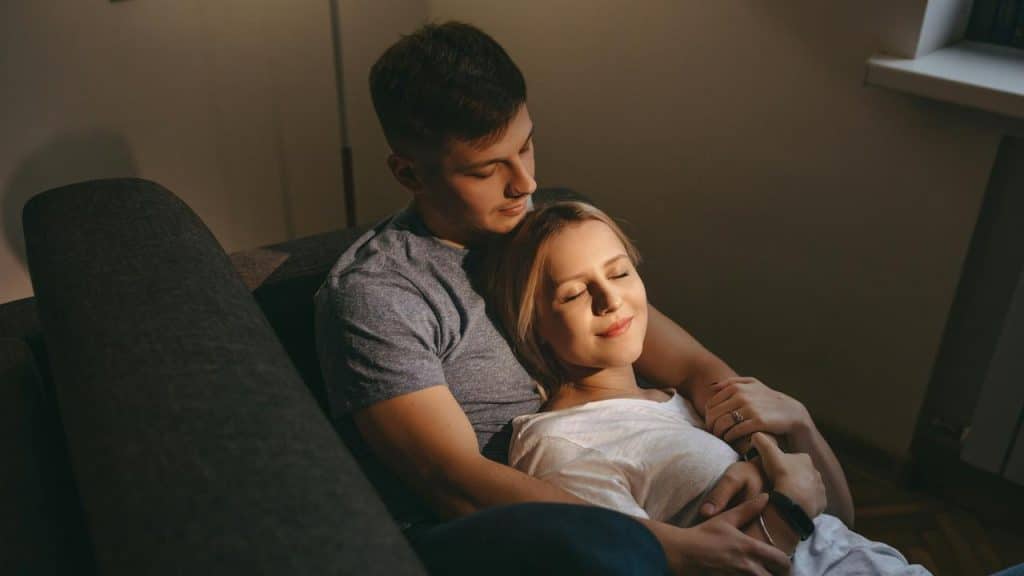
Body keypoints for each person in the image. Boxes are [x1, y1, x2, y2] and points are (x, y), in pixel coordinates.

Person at [316, 20, 805, 575]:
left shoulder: (543, 226)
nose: (523, 184)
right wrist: (662, 546)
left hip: (633, 492)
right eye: (486, 169)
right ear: (409, 173)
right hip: (516, 541)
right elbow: (451, 482)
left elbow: (694, 367)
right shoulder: (379, 295)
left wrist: (762, 457)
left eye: (525, 146)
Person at [485, 200, 932, 575]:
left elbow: (838, 519)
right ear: (534, 325)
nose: (610, 300)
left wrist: (800, 423)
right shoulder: (562, 445)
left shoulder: (682, 401)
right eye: (574, 293)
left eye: (619, 273)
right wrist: (788, 507)